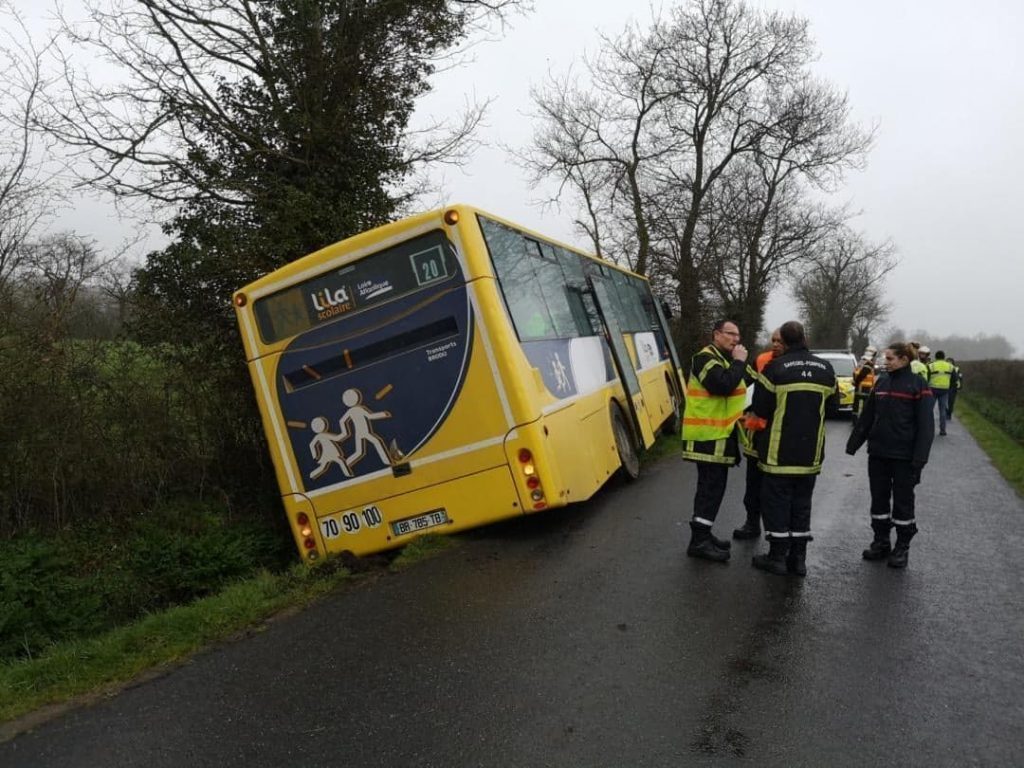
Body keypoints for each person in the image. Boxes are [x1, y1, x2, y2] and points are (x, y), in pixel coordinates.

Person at [749, 321, 836, 576]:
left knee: (776, 503)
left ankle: (777, 557)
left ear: (784, 342)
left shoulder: (775, 368)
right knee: (802, 504)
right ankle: (798, 560)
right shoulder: (826, 369)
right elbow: (832, 408)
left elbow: (760, 408)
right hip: (810, 454)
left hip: (778, 453)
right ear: (804, 338)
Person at [845, 342, 934, 568]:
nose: (886, 362)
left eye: (890, 358)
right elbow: (868, 415)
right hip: (878, 453)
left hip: (905, 457)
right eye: (886, 358)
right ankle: (881, 542)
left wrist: (920, 458)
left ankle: (902, 547)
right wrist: (854, 443)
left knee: (903, 502)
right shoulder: (882, 382)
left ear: (904, 359)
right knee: (879, 499)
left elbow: (926, 426)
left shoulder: (918, 384)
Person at [681, 319, 751, 562]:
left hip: (718, 436)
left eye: (738, 335)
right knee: (710, 490)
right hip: (707, 438)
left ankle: (704, 533)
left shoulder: (723, 359)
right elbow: (722, 385)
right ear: (716, 334)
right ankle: (699, 541)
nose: (736, 339)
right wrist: (739, 361)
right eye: (731, 334)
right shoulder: (705, 358)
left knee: (713, 489)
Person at [734, 329, 782, 540]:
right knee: (753, 483)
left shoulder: (792, 364)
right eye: (773, 340)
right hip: (756, 432)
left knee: (775, 488)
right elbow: (746, 385)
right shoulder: (761, 359)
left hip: (778, 434)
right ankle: (752, 523)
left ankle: (776, 532)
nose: (775, 344)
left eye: (780, 341)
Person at [927, 350, 955, 435]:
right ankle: (943, 430)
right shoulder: (950, 366)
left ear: (935, 357)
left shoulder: (931, 366)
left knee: (929, 410)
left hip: (932, 389)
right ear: (944, 357)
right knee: (942, 411)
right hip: (944, 390)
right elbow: (954, 379)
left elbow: (927, 377)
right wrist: (949, 387)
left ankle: (928, 429)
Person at [852, 346, 878, 424]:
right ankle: (861, 421)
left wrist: (855, 382)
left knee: (856, 404)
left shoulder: (861, 361)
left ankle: (855, 420)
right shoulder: (869, 363)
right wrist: (857, 382)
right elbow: (862, 374)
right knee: (864, 405)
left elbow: (855, 373)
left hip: (859, 387)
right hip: (864, 388)